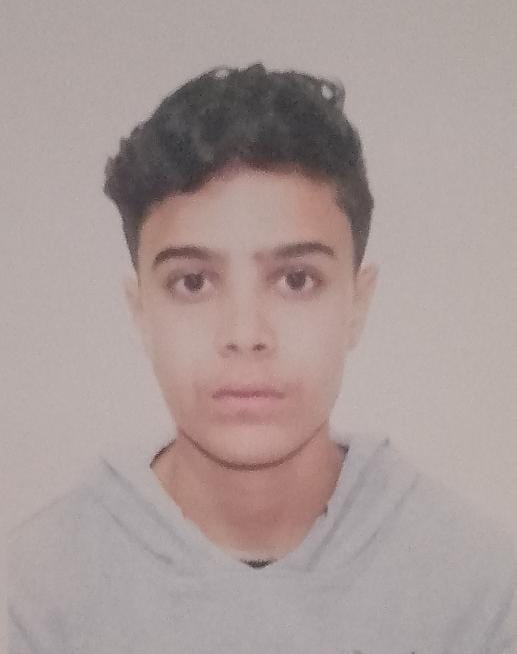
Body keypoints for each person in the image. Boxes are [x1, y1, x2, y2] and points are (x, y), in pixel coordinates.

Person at [7, 63, 516, 653]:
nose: (245, 334)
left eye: (296, 280)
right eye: (193, 282)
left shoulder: (475, 591)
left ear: (357, 303)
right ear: (140, 310)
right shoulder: (35, 595)